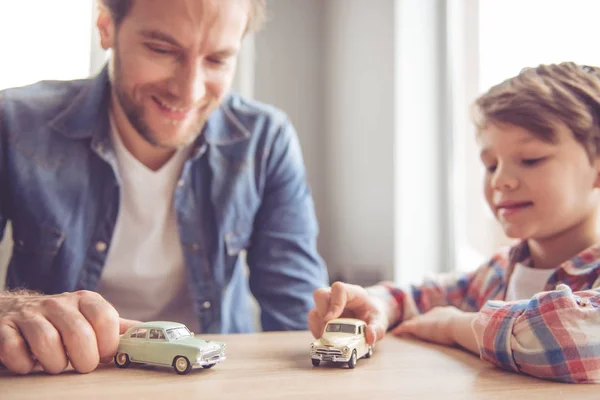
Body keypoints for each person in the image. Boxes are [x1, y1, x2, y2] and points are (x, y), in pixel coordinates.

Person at [0, 0, 327, 375]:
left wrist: (338, 320)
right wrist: (10, 307)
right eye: (161, 50)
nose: (189, 92)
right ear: (106, 27)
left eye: (217, 60)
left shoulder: (265, 140)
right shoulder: (14, 124)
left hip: (210, 379)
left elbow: (297, 317)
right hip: (64, 380)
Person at [309, 62, 600, 383]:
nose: (500, 180)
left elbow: (580, 336)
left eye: (531, 160)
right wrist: (374, 305)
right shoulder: (499, 271)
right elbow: (421, 296)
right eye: (490, 166)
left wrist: (454, 326)